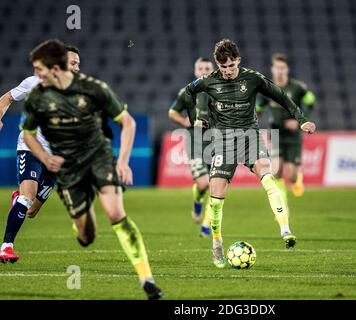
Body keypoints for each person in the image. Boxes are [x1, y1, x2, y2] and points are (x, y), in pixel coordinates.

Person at [22, 39, 162, 299]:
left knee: (115, 213)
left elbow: (128, 123)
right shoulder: (38, 98)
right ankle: (82, 227)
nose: (37, 74)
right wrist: (43, 156)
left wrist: (122, 162)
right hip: (69, 170)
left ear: (55, 67)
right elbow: (27, 133)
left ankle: (147, 280)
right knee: (87, 236)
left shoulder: (94, 89)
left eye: (40, 68)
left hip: (99, 156)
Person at [184, 39, 316, 268]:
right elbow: (188, 92)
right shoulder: (208, 81)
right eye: (223, 67)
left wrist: (302, 120)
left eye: (231, 66)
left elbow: (282, 97)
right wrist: (197, 117)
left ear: (238, 61)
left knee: (268, 176)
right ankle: (217, 243)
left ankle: (285, 229)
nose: (227, 71)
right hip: (223, 143)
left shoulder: (253, 78)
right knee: (216, 201)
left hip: (250, 139)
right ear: (218, 63)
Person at [0, 46, 80, 263]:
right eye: (73, 63)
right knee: (28, 196)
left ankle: (18, 199)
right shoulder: (34, 83)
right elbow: (7, 98)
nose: (77, 68)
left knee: (32, 210)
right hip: (29, 146)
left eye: (78, 64)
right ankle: (6, 247)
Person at [257, 53, 316, 203]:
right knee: (276, 171)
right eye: (277, 67)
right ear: (273, 69)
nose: (280, 70)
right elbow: (258, 107)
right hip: (275, 134)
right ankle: (282, 204)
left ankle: (298, 178)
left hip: (293, 135)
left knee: (291, 175)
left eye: (282, 67)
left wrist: (299, 121)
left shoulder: (298, 87)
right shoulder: (267, 88)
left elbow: (310, 102)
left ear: (287, 69)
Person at [169, 57, 214, 237]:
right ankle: (197, 200)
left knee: (215, 187)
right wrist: (183, 120)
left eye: (207, 68)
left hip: (216, 143)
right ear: (196, 71)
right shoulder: (187, 92)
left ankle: (206, 224)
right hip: (195, 144)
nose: (204, 71)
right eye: (200, 68)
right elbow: (172, 112)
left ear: (213, 70)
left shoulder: (218, 91)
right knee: (204, 183)